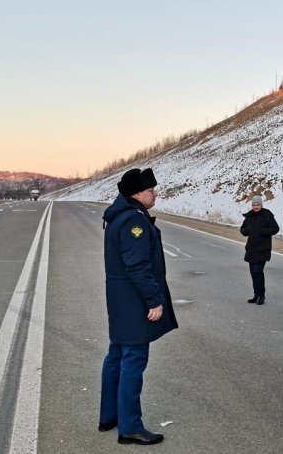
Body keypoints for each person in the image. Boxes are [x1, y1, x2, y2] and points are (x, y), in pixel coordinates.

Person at [99, 167, 178, 446]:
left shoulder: (117, 216)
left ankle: (109, 416)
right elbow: (138, 266)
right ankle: (130, 426)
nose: (154, 194)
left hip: (120, 300)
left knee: (116, 357)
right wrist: (154, 300)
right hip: (133, 302)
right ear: (136, 193)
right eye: (150, 191)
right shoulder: (134, 221)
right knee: (133, 361)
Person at [239, 195, 280, 305]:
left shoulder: (267, 215)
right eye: (254, 205)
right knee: (253, 273)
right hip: (251, 249)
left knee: (258, 271)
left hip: (263, 249)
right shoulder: (249, 216)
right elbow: (242, 229)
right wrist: (247, 230)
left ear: (261, 205)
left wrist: (264, 231)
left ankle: (261, 295)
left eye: (257, 205)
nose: (255, 207)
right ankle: (256, 294)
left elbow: (275, 228)